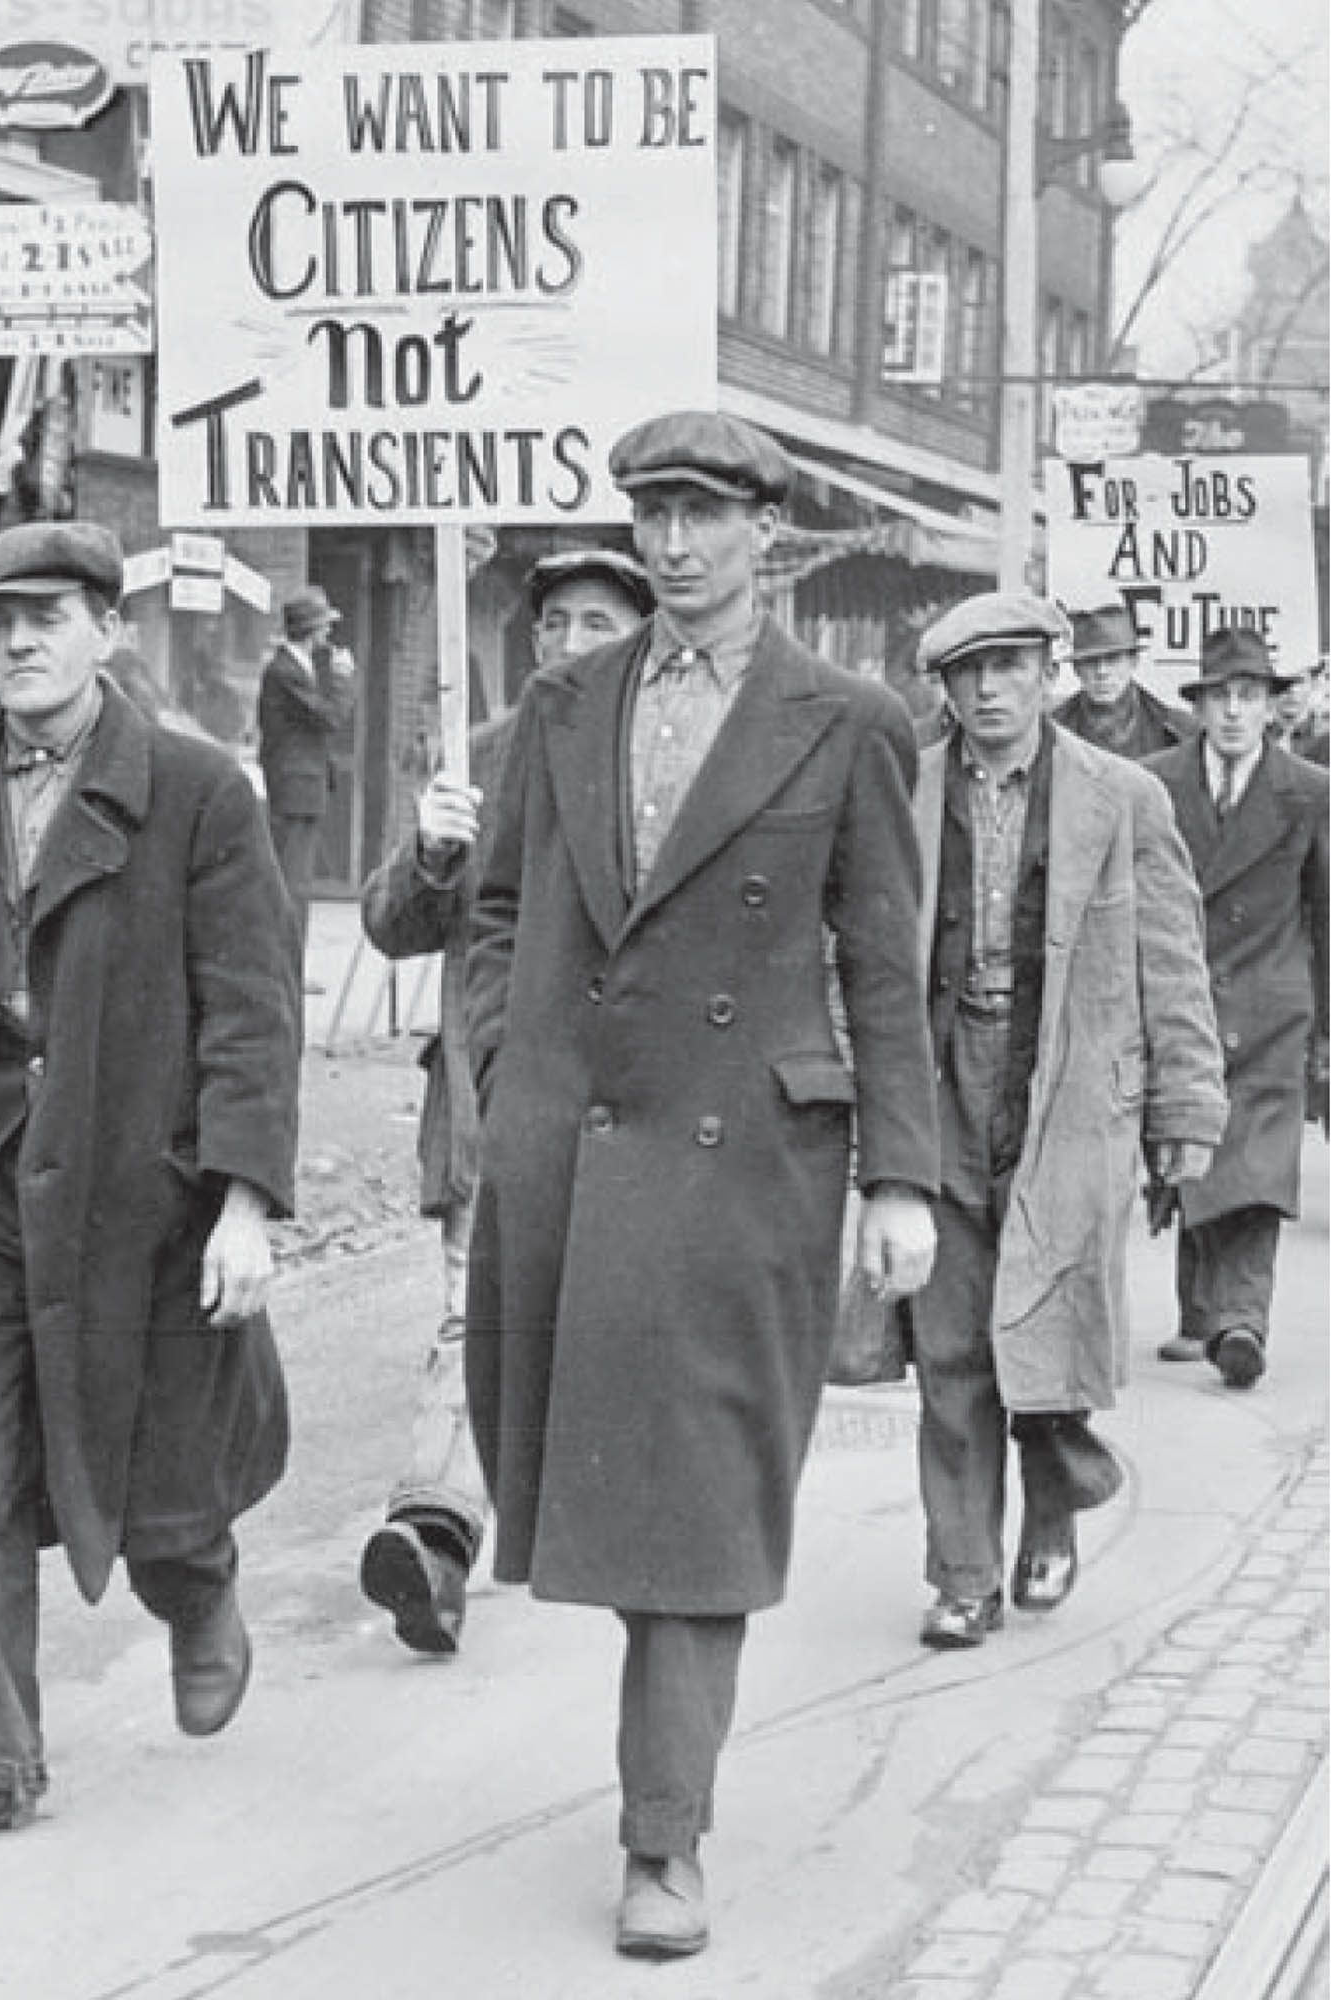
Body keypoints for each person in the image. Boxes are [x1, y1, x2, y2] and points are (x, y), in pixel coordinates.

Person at [464, 411, 940, 1959]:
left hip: (747, 1163)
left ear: (766, 536)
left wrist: (903, 1179)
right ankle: (659, 1799)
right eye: (651, 512)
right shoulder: (564, 701)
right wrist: (501, 1074)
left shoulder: (847, 720)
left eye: (704, 515)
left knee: (700, 1509)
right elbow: (499, 907)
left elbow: (884, 964)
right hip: (579, 1152)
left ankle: (662, 1839)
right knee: (588, 1488)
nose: (673, 543)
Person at [0, 522, 302, 1854]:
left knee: (156, 1472)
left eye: (49, 616)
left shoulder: (199, 794)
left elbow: (253, 1010)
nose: (19, 642)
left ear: (107, 631)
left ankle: (196, 1592)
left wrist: (246, 1198)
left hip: (141, 1193)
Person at [907, 593, 1227, 1650]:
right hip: (943, 1083)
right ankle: (961, 1572)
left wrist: (1184, 1105)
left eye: (1009, 666)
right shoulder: (904, 789)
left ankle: (1051, 1506)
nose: (989, 688)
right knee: (950, 1343)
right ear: (945, 687)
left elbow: (1172, 959)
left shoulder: (1121, 795)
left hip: (1078, 1091)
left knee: (1044, 1329)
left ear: (1048, 673)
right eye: (969, 672)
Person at [358, 547, 654, 1656]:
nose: (570, 643)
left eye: (597, 622)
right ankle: (434, 1531)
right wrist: (434, 854)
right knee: (476, 1315)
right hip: (491, 1105)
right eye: (553, 624)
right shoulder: (475, 764)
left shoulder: (671, 770)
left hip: (634, 1108)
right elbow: (393, 925)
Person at [1145, 626, 1329, 1387]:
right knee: (1192, 1150)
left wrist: (1326, 1028)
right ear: (1199, 706)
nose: (1232, 713)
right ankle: (1202, 1312)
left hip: (1271, 1012)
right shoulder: (1153, 784)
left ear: (1271, 707)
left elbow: (1325, 915)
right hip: (1181, 1005)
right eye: (1219, 696)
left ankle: (1240, 1320)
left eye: (1247, 696)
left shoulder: (1311, 792)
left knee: (1254, 1171)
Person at [257, 586, 356, 988]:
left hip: (301, 785)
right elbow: (329, 718)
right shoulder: (286, 672)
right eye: (324, 627)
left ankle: (286, 970)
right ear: (311, 630)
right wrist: (343, 681)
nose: (328, 636)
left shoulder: (294, 667)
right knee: (293, 885)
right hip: (295, 787)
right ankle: (286, 973)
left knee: (295, 883)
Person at [1052, 600, 1194, 759]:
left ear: (1133, 661)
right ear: (1076, 668)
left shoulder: (1177, 731)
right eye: (1090, 661)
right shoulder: (1051, 730)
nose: (1101, 672)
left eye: (1112, 659)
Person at [1268, 660, 1330, 767]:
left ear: (1313, 684)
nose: (1292, 690)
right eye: (1283, 681)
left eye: (1299, 681)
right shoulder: (1257, 735)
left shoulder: (1325, 737)